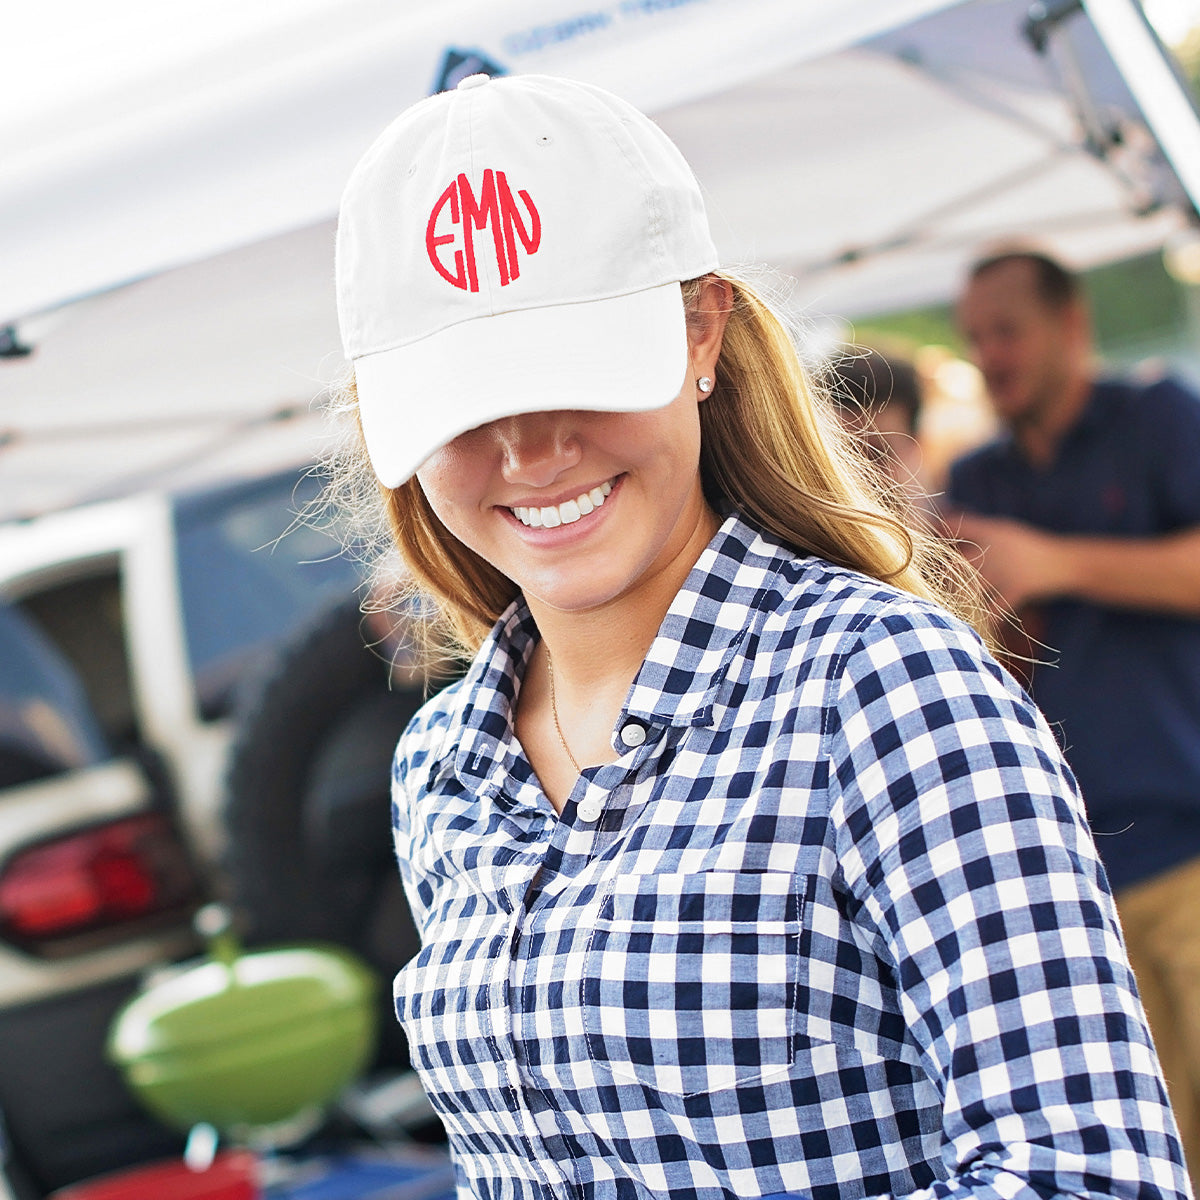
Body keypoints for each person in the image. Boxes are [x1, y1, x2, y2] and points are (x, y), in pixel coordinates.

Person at [330, 75, 1189, 1200]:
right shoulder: (441, 766)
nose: (530, 448)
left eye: (575, 368)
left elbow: (1091, 1173)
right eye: (464, 395)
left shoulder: (884, 685)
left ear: (702, 329)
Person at [946, 247, 1200, 1192]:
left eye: (1007, 332)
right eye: (976, 338)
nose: (990, 356)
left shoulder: (1159, 417)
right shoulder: (976, 478)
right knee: (1146, 1154)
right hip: (1061, 884)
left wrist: (1054, 562)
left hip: (1187, 849)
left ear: (1072, 326)